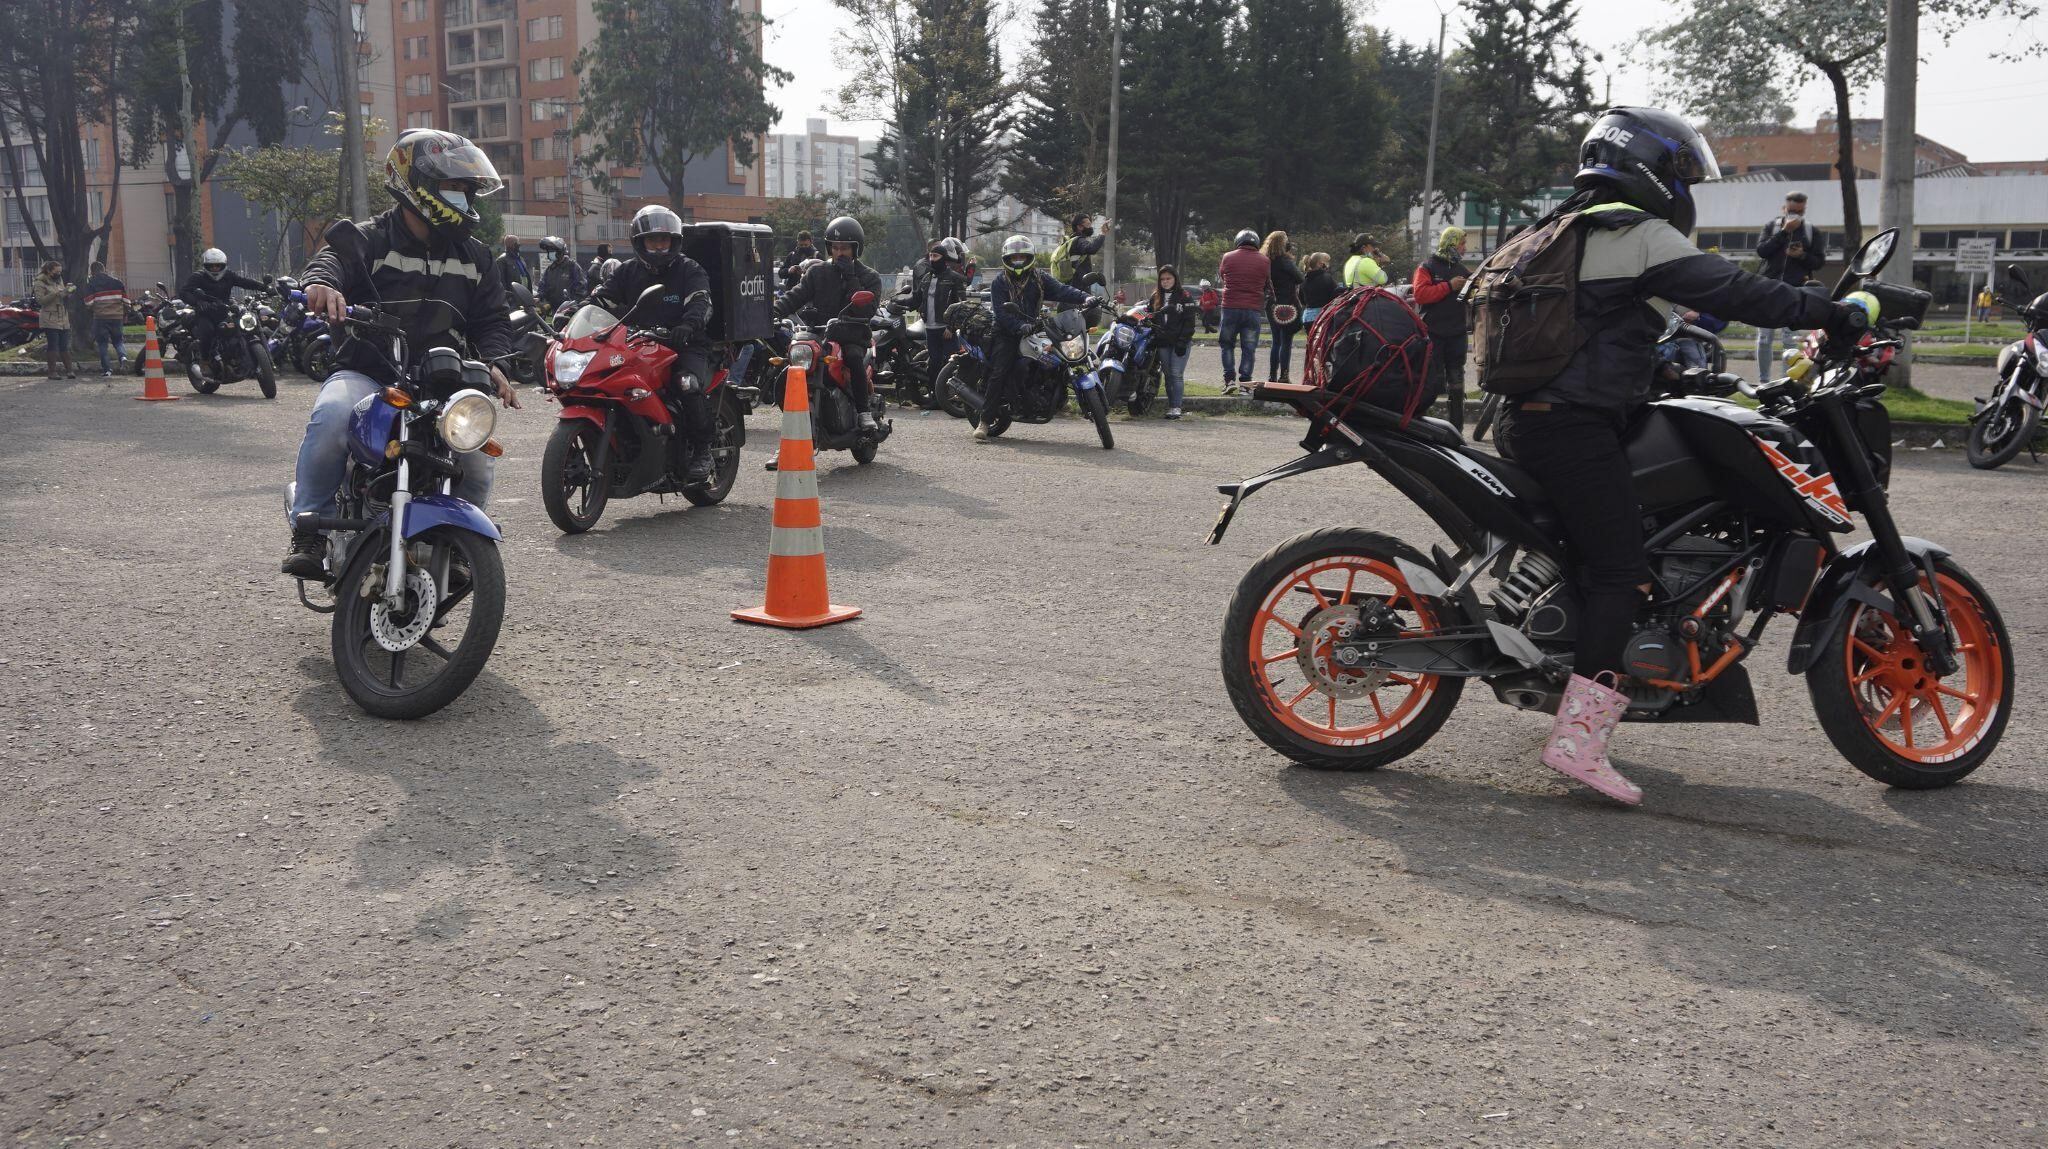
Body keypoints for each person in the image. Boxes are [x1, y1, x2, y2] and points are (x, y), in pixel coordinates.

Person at [1491, 107, 1851, 806]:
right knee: (1619, 570)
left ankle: (1563, 670)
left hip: (1527, 421)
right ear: (1653, 174)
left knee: (1598, 548)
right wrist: (1835, 312)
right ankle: (1579, 742)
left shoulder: (1555, 228)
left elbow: (1592, 335)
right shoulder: (1636, 233)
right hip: (1574, 427)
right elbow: (1739, 293)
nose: (1686, 189)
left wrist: (1663, 374)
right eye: (1682, 174)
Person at [282, 128, 521, 579]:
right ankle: (309, 532)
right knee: (332, 417)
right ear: (419, 187)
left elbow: (491, 321)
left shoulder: (476, 257)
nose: (467, 202)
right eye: (456, 189)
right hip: (369, 372)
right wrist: (321, 285)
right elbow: (330, 261)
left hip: (440, 382)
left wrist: (496, 363)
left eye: (470, 192)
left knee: (475, 457)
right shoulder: (369, 239)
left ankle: (459, 547)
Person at [590, 205, 718, 484]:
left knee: (686, 383)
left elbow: (701, 301)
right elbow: (603, 300)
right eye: (652, 240)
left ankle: (703, 449)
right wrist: (576, 313)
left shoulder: (689, 269)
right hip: (638, 343)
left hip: (685, 345)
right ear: (640, 242)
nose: (659, 246)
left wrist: (688, 326)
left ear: (674, 242)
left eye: (664, 240)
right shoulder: (627, 272)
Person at [974, 234, 1093, 442]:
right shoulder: (999, 283)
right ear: (1007, 259)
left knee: (1058, 355)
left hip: (1034, 327)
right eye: (1014, 258)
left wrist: (1085, 297)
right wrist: (1020, 326)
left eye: (1022, 257)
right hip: (1006, 332)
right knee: (1000, 372)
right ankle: (984, 421)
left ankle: (1056, 397)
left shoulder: (1039, 278)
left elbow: (1062, 290)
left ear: (1030, 258)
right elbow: (1001, 315)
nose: (1018, 261)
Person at [776, 215, 884, 431]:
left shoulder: (869, 277)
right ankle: (791, 435)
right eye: (834, 247)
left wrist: (850, 275)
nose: (839, 252)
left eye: (844, 248)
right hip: (819, 334)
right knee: (791, 363)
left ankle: (863, 412)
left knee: (853, 358)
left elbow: (866, 309)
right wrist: (774, 311)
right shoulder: (818, 272)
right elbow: (795, 295)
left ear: (856, 249)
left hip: (853, 334)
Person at [1753, 191, 1825, 381]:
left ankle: (1787, 380)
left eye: (1799, 212)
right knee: (1764, 338)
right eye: (1792, 211)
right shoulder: (1772, 227)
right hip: (1768, 288)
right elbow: (1762, 251)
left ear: (1804, 210)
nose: (1795, 216)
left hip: (1795, 290)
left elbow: (1819, 262)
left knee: (1789, 340)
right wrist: (1784, 231)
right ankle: (1763, 381)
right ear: (1784, 208)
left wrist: (1801, 255)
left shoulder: (1811, 231)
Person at [1411, 225, 1473, 427]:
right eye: (1462, 243)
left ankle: (1457, 428)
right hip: (1433, 333)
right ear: (1452, 243)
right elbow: (1420, 295)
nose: (1464, 247)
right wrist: (1449, 286)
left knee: (1456, 381)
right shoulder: (1427, 266)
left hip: (1457, 333)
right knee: (1431, 380)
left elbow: (1474, 296)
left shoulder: (1462, 270)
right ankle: (1421, 425)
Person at [180, 248, 268, 370]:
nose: (215, 268)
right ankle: (205, 362)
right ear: (206, 266)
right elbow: (184, 293)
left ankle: (239, 355)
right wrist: (198, 302)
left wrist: (264, 287)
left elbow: (244, 282)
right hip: (205, 314)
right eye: (211, 266)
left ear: (224, 265)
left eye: (218, 266)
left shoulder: (228, 276)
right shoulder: (198, 277)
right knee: (208, 332)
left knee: (240, 326)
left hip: (224, 310)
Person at [912, 236, 971, 410]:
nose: (932, 259)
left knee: (950, 365)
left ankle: (953, 399)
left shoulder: (955, 278)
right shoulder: (926, 278)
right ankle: (935, 398)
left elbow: (961, 305)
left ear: (944, 259)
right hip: (930, 328)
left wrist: (952, 327)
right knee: (934, 365)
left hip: (946, 330)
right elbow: (918, 299)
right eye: (930, 256)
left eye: (936, 256)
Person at [1216, 229, 1269, 391]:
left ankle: (1229, 380)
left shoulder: (1228, 257)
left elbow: (1223, 276)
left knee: (1227, 345)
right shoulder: (1265, 260)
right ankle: (1245, 384)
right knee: (1249, 348)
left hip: (1230, 307)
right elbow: (1267, 283)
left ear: (1238, 241)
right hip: (1253, 309)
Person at [1147, 264, 1197, 419]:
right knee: (1168, 374)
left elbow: (1190, 322)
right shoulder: (1155, 296)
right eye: (1162, 279)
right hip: (1163, 343)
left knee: (1176, 374)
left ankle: (1176, 407)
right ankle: (1171, 406)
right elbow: (1150, 316)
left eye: (1168, 278)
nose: (1165, 281)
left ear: (1175, 279)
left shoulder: (1185, 296)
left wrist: (1183, 340)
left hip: (1180, 342)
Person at [1262, 231, 1303, 383]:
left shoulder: (1265, 261)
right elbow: (1300, 278)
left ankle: (1272, 375)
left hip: (1271, 304)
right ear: (1282, 244)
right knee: (1286, 341)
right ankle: (1284, 375)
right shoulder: (1285, 261)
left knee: (1275, 341)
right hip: (1287, 305)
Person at [31, 260, 76, 379]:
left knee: (64, 345)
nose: (59, 274)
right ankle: (52, 372)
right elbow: (41, 300)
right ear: (49, 271)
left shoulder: (59, 279)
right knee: (53, 345)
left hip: (63, 316)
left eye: (60, 271)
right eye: (56, 271)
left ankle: (69, 371)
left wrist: (68, 291)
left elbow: (61, 295)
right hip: (49, 317)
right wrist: (56, 293)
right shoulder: (40, 282)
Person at [83, 261, 128, 377]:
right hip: (117, 317)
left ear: (92, 272)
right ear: (103, 269)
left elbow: (88, 302)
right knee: (118, 341)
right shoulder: (117, 282)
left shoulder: (92, 284)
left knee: (102, 344)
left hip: (100, 317)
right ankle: (123, 357)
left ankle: (107, 370)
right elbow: (127, 302)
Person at [1053, 214, 1107, 290]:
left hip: (1070, 285)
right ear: (1079, 226)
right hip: (1079, 286)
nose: (1090, 227)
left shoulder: (1070, 241)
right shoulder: (1079, 241)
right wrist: (1102, 233)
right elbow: (1092, 249)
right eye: (1088, 224)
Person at [535, 235, 586, 312]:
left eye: (551, 251)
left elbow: (581, 287)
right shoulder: (550, 269)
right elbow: (542, 287)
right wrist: (538, 297)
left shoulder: (572, 266)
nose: (549, 254)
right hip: (554, 310)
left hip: (570, 310)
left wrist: (574, 303)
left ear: (559, 252)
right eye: (548, 252)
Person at [1298, 251, 1340, 327]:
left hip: (1307, 317)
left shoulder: (1304, 280)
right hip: (1322, 316)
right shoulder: (1326, 278)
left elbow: (1301, 299)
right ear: (1320, 264)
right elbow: (1336, 295)